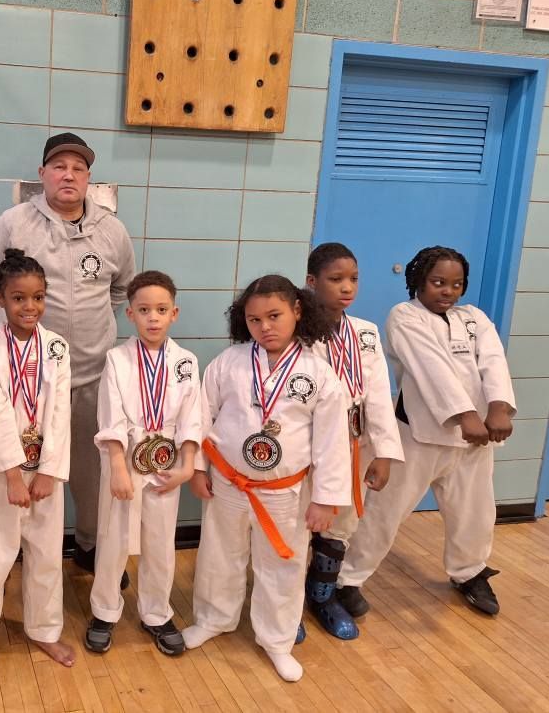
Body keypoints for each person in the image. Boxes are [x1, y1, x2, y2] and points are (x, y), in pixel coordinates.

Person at [0, 133, 136, 577]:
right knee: (21, 468)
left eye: (78, 169)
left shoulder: (112, 230)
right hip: (25, 384)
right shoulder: (12, 224)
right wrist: (19, 333)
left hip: (91, 375)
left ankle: (91, 547)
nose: (69, 175)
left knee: (91, 473)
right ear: (42, 175)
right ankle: (16, 557)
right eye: (59, 166)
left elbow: (121, 290)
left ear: (88, 179)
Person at [182, 275, 351, 682]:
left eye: (274, 316)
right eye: (254, 319)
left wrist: (325, 498)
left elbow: (331, 440)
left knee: (281, 565)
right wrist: (198, 468)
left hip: (286, 490)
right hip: (229, 481)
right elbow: (203, 414)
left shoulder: (318, 371)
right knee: (220, 554)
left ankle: (277, 640)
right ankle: (214, 618)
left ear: (297, 311)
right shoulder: (231, 361)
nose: (265, 327)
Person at [339, 246, 516, 617]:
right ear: (418, 281)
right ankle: (347, 578)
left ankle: (469, 571)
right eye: (438, 282)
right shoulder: (405, 317)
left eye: (456, 284)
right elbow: (430, 368)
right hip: (418, 436)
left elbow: (494, 362)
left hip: (475, 440)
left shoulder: (474, 319)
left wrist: (498, 407)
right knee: (386, 511)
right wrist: (465, 415)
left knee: (475, 511)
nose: (447, 291)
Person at [0, 249, 74, 682]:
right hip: (1, 471)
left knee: (46, 555)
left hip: (45, 467)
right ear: (0, 301)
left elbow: (60, 412)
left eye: (38, 297)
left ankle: (44, 630)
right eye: (19, 298)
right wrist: (12, 473)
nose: (30, 307)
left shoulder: (57, 347)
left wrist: (48, 471)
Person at [84, 271, 201, 657]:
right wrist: (117, 467)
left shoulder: (186, 361)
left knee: (161, 542)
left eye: (162, 310)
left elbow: (192, 418)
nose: (153, 317)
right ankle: (104, 610)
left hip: (167, 460)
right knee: (114, 538)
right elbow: (111, 416)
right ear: (129, 314)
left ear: (176, 313)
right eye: (145, 310)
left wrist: (187, 466)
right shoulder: (116, 359)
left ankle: (156, 613)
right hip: (126, 458)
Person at [301, 243, 404, 640]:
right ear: (312, 282)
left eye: (354, 279)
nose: (347, 288)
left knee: (342, 524)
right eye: (336, 279)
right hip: (309, 446)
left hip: (355, 443)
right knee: (298, 523)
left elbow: (378, 393)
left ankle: (323, 597)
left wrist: (386, 453)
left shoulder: (364, 331)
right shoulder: (298, 330)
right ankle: (286, 604)